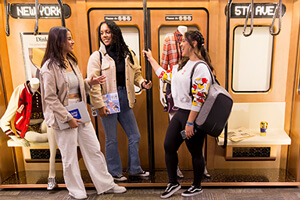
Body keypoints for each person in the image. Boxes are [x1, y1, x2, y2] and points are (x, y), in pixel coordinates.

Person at [40, 26, 126, 199]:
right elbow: (50, 98)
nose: (72, 42)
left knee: (93, 148)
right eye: (69, 39)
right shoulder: (48, 67)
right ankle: (76, 191)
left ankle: (106, 184)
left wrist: (89, 82)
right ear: (59, 41)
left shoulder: (71, 61)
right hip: (62, 113)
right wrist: (67, 117)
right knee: (69, 155)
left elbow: (75, 85)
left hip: (78, 108)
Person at [143, 30, 213, 198]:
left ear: (194, 43)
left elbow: (199, 98)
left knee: (195, 151)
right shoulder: (184, 65)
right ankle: (173, 182)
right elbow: (165, 76)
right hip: (180, 112)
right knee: (169, 146)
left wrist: (190, 123)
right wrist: (151, 59)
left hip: (193, 116)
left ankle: (197, 185)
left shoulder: (201, 67)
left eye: (183, 42)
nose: (180, 44)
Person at [87, 20, 152, 182]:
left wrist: (142, 83)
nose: (105, 35)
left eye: (108, 32)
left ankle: (134, 169)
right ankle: (114, 172)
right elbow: (93, 84)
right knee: (111, 138)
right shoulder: (97, 56)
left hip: (125, 97)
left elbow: (136, 74)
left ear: (115, 33)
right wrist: (99, 105)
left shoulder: (128, 52)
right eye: (102, 33)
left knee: (134, 135)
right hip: (107, 99)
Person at [0, 78, 57, 190]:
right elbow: (3, 121)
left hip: (43, 124)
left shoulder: (45, 89)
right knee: (37, 137)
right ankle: (56, 138)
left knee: (50, 124)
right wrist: (14, 137)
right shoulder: (20, 91)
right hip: (27, 128)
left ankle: (52, 173)